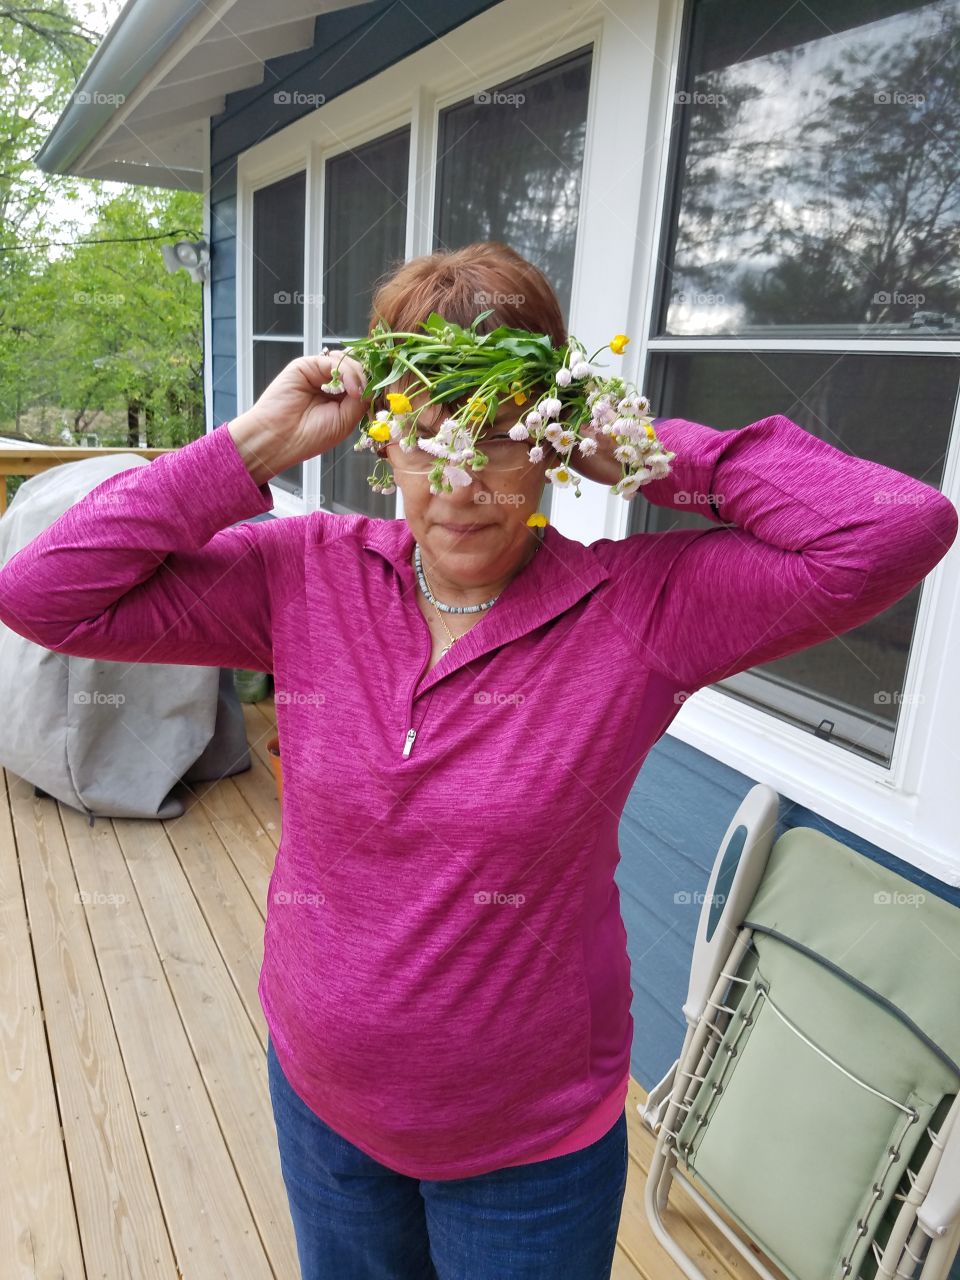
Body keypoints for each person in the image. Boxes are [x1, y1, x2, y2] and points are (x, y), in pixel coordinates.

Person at [0, 241, 955, 1280]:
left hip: (525, 1150)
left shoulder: (641, 611)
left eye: (500, 434)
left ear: (553, 441)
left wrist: (645, 447)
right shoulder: (306, 575)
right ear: (384, 440)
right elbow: (44, 591)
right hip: (322, 1105)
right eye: (426, 432)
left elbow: (895, 527)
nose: (459, 481)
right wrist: (255, 442)